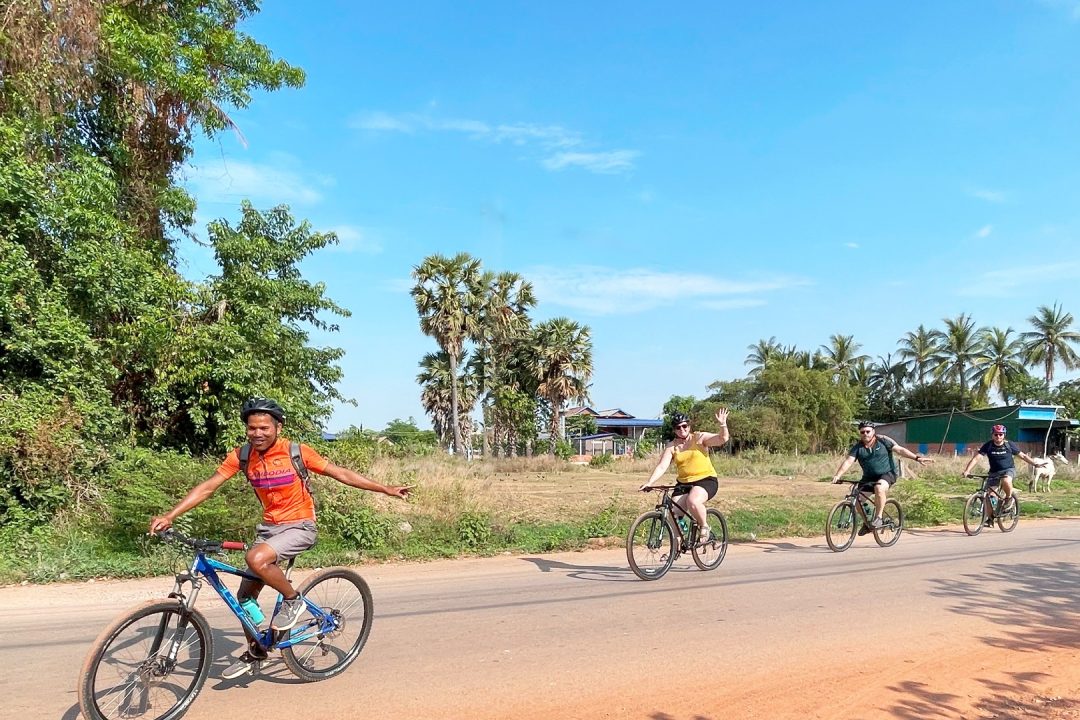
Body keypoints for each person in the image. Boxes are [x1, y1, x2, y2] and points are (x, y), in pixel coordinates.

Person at [149, 398, 410, 678]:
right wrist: (171, 514)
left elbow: (340, 473)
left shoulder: (296, 452)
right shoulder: (242, 455)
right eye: (252, 428)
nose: (258, 433)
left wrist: (385, 488)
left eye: (264, 427)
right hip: (270, 530)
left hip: (300, 526)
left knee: (255, 558)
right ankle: (259, 648)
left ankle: (293, 600)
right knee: (244, 598)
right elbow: (208, 487)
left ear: (278, 427)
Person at [639, 408, 729, 544]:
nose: (682, 429)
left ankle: (704, 527)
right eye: (678, 427)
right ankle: (678, 543)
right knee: (673, 514)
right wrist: (649, 482)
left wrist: (723, 425)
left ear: (689, 426)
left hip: (705, 480)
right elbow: (662, 466)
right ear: (674, 430)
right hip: (684, 483)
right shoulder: (671, 446)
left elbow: (722, 438)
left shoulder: (699, 438)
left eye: (684, 426)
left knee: (693, 501)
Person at [832, 421, 931, 532]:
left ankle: (878, 518)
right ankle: (867, 524)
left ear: (873, 431)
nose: (865, 434)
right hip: (869, 477)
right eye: (862, 432)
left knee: (879, 488)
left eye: (868, 431)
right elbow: (848, 461)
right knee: (856, 498)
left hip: (888, 473)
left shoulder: (883, 440)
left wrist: (917, 458)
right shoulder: (858, 447)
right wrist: (837, 475)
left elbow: (900, 450)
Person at [960, 424, 1045, 523]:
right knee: (989, 496)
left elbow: (1023, 456)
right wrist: (967, 470)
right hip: (994, 472)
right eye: (996, 434)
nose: (998, 437)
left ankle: (1008, 498)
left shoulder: (1009, 445)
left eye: (1000, 434)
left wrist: (1034, 464)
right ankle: (990, 518)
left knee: (1006, 480)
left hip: (1008, 469)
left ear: (1004, 435)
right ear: (992, 435)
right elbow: (976, 458)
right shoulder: (988, 445)